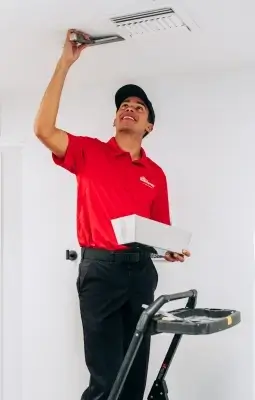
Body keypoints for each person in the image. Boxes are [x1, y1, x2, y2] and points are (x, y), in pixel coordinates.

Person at [34, 29, 191, 400]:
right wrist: (65, 63)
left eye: (139, 106)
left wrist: (165, 250)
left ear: (148, 126)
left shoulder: (156, 175)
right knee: (106, 380)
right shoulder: (90, 154)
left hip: (140, 275)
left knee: (134, 376)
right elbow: (43, 130)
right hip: (101, 272)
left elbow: (157, 233)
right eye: (124, 105)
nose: (129, 108)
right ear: (115, 119)